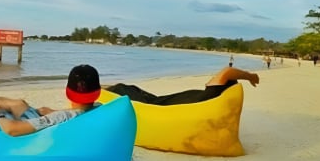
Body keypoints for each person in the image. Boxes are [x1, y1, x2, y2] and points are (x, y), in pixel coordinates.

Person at [0, 64, 101, 137]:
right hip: (48, 121)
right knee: (20, 104)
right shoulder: (99, 108)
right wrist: (52, 111)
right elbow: (77, 113)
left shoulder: (61, 117)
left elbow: (12, 129)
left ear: (68, 92)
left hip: (32, 133)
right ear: (98, 92)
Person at [106, 67, 260, 106]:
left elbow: (227, 71)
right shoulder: (208, 97)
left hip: (153, 105)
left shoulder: (212, 93)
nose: (210, 80)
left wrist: (250, 76)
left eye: (213, 79)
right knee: (130, 87)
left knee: (120, 87)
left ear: (220, 85)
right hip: (156, 100)